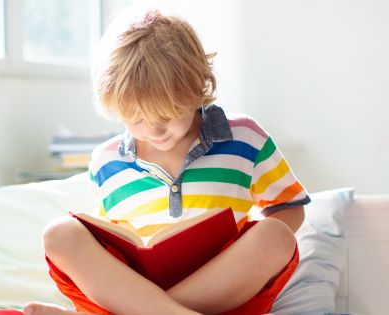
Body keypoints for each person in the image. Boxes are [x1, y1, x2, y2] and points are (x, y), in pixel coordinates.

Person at [24, 9, 309, 315]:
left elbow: (289, 208)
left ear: (197, 88)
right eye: (135, 119)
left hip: (223, 292)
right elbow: (110, 245)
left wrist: (246, 252)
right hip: (135, 292)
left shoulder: (245, 137)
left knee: (275, 236)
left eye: (166, 116)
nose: (153, 131)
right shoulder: (105, 161)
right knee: (60, 233)